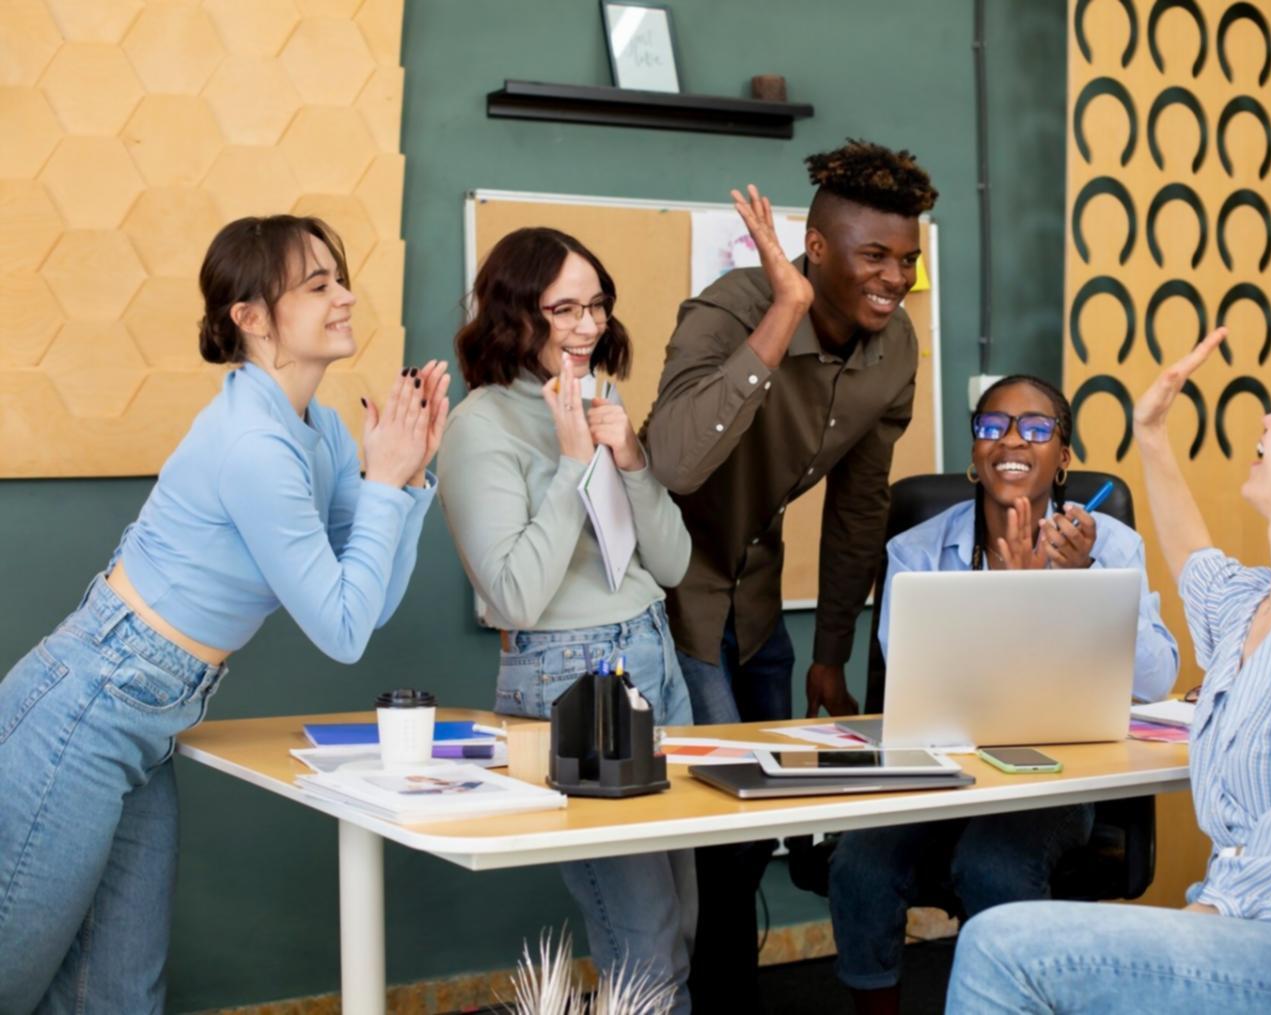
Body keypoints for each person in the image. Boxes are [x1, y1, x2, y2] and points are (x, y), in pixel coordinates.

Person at [0, 214, 447, 1013]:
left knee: (119, 993)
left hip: (147, 715)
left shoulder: (319, 431)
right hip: (89, 704)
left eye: (339, 279)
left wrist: (404, 484)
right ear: (249, 315)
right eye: (317, 286)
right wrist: (385, 485)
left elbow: (365, 604)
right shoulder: (252, 443)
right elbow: (341, 632)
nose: (345, 296)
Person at [947, 330, 1271, 1014]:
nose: (1268, 420)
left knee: (1001, 946)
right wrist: (1149, 431)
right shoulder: (1257, 603)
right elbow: (1192, 556)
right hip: (1256, 926)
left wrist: (1183, 926)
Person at [641, 139, 937, 1008]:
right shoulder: (730, 309)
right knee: (721, 827)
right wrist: (785, 313)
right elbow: (673, 461)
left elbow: (857, 509)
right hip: (669, 591)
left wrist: (830, 652)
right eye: (874, 255)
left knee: (761, 817)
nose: (894, 277)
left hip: (759, 602)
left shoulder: (895, 348)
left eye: (907, 261)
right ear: (814, 248)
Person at [829, 373, 1178, 1014]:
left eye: (1036, 428)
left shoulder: (1111, 545)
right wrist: (1013, 599)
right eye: (992, 426)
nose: (1011, 440)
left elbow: (1157, 681)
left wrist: (1076, 588)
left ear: (1064, 455)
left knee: (991, 865)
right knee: (860, 865)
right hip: (939, 773)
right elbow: (908, 671)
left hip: (1052, 777)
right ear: (974, 450)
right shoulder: (916, 550)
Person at [437, 227, 697, 1011]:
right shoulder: (479, 425)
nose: (588, 326)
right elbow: (514, 595)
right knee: (642, 936)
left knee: (682, 920)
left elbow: (673, 564)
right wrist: (569, 458)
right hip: (571, 676)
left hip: (652, 653)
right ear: (513, 316)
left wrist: (630, 464)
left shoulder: (602, 399)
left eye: (597, 305)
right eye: (565, 309)